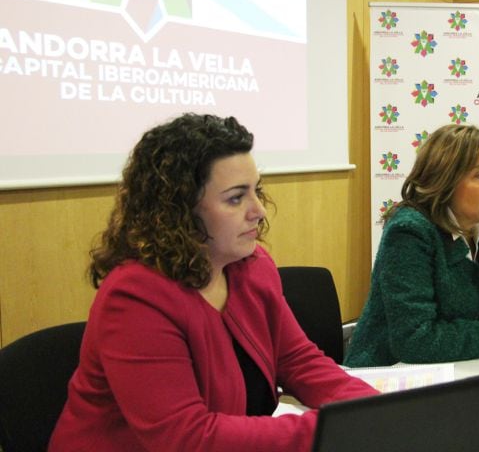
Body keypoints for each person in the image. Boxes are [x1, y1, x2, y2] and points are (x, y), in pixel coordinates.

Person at [49, 114, 378, 452]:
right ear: (179, 211)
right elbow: (186, 438)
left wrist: (375, 410)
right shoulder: (135, 298)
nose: (259, 211)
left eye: (256, 191)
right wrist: (335, 428)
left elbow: (298, 361)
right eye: (236, 198)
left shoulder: (251, 267)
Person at [344, 124, 479, 368]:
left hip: (465, 369)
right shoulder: (410, 233)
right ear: (444, 181)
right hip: (387, 376)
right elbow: (415, 340)